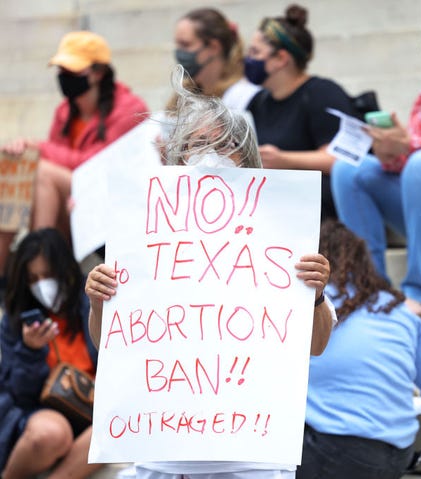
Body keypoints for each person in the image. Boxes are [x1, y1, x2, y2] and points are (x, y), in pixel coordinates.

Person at [86, 66, 336, 479]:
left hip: (251, 459)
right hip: (162, 453)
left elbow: (316, 345)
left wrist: (316, 295)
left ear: (246, 155)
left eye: (223, 144)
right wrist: (99, 302)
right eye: (197, 144)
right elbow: (112, 346)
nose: (210, 154)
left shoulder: (283, 230)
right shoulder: (143, 234)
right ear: (176, 156)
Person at [331, 0, 421, 320]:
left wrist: (413, 145)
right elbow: (412, 161)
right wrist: (391, 153)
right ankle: (369, 287)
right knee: (350, 169)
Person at [295, 220, 421, 479]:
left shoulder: (311, 308)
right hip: (397, 456)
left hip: (334, 455)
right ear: (365, 263)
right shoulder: (400, 312)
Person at [0, 30, 148, 286]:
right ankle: (12, 272)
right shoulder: (65, 111)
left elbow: (97, 165)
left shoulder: (130, 108)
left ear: (99, 72)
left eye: (73, 70)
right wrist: (26, 151)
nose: (65, 77)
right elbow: (61, 161)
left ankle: (40, 267)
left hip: (108, 198)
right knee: (20, 168)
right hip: (73, 197)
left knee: (42, 173)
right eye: (62, 70)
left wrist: (38, 147)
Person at [0, 227, 101, 478]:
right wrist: (30, 352)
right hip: (43, 412)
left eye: (47, 275)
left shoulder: (91, 301)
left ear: (64, 270)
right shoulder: (17, 320)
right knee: (51, 434)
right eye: (33, 279)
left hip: (96, 409)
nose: (42, 285)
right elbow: (18, 395)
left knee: (109, 428)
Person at [245, 4, 357, 221]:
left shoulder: (321, 93)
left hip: (320, 209)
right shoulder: (258, 102)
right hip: (278, 201)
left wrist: (285, 160)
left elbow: (341, 160)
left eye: (255, 52)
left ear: (281, 59)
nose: (247, 59)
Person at [168, 8, 260, 111]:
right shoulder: (183, 97)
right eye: (178, 44)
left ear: (214, 47)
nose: (179, 52)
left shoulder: (242, 96)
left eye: (186, 44)